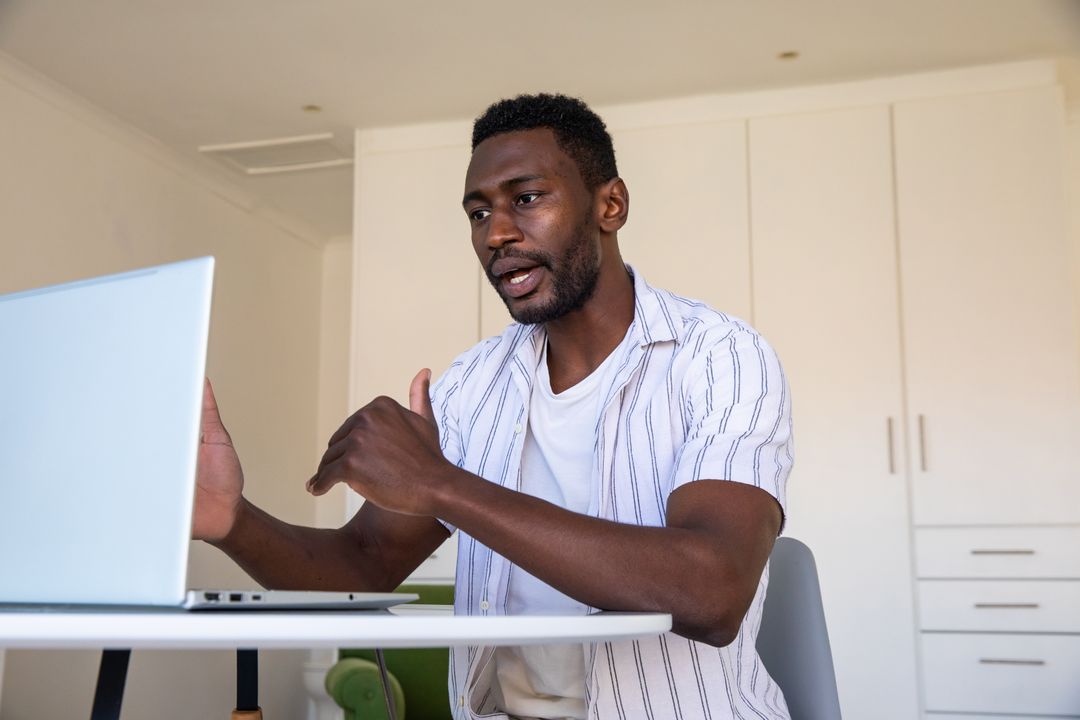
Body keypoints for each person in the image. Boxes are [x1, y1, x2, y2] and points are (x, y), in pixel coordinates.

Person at [195, 93, 793, 720]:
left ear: (609, 205)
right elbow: (361, 566)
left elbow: (711, 592)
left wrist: (441, 486)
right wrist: (231, 520)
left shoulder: (721, 357)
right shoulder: (471, 385)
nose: (497, 233)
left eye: (526, 198)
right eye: (478, 212)